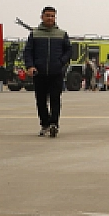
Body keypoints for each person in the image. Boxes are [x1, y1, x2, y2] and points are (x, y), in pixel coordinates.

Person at [21, 7, 70, 137]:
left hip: (56, 73)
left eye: (52, 16)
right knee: (41, 100)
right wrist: (30, 66)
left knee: (55, 99)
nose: (50, 18)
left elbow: (69, 51)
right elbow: (28, 52)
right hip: (39, 73)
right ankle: (45, 124)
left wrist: (61, 62)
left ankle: (54, 123)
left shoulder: (62, 34)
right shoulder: (35, 34)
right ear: (42, 17)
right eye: (47, 15)